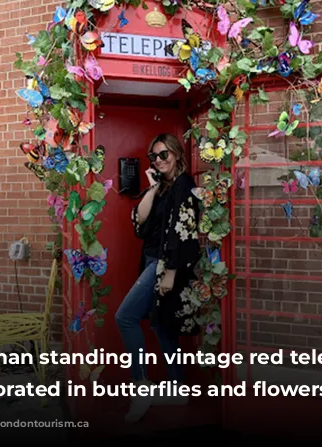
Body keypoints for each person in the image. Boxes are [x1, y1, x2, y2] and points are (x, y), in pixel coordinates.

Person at [115, 133, 201, 423]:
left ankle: (140, 387)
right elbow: (139, 224)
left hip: (165, 265)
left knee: (125, 317)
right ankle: (178, 388)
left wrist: (171, 273)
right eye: (154, 157)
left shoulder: (184, 185)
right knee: (160, 325)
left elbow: (185, 230)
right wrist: (152, 188)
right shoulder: (163, 189)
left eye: (164, 154)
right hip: (152, 262)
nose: (159, 161)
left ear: (176, 154)